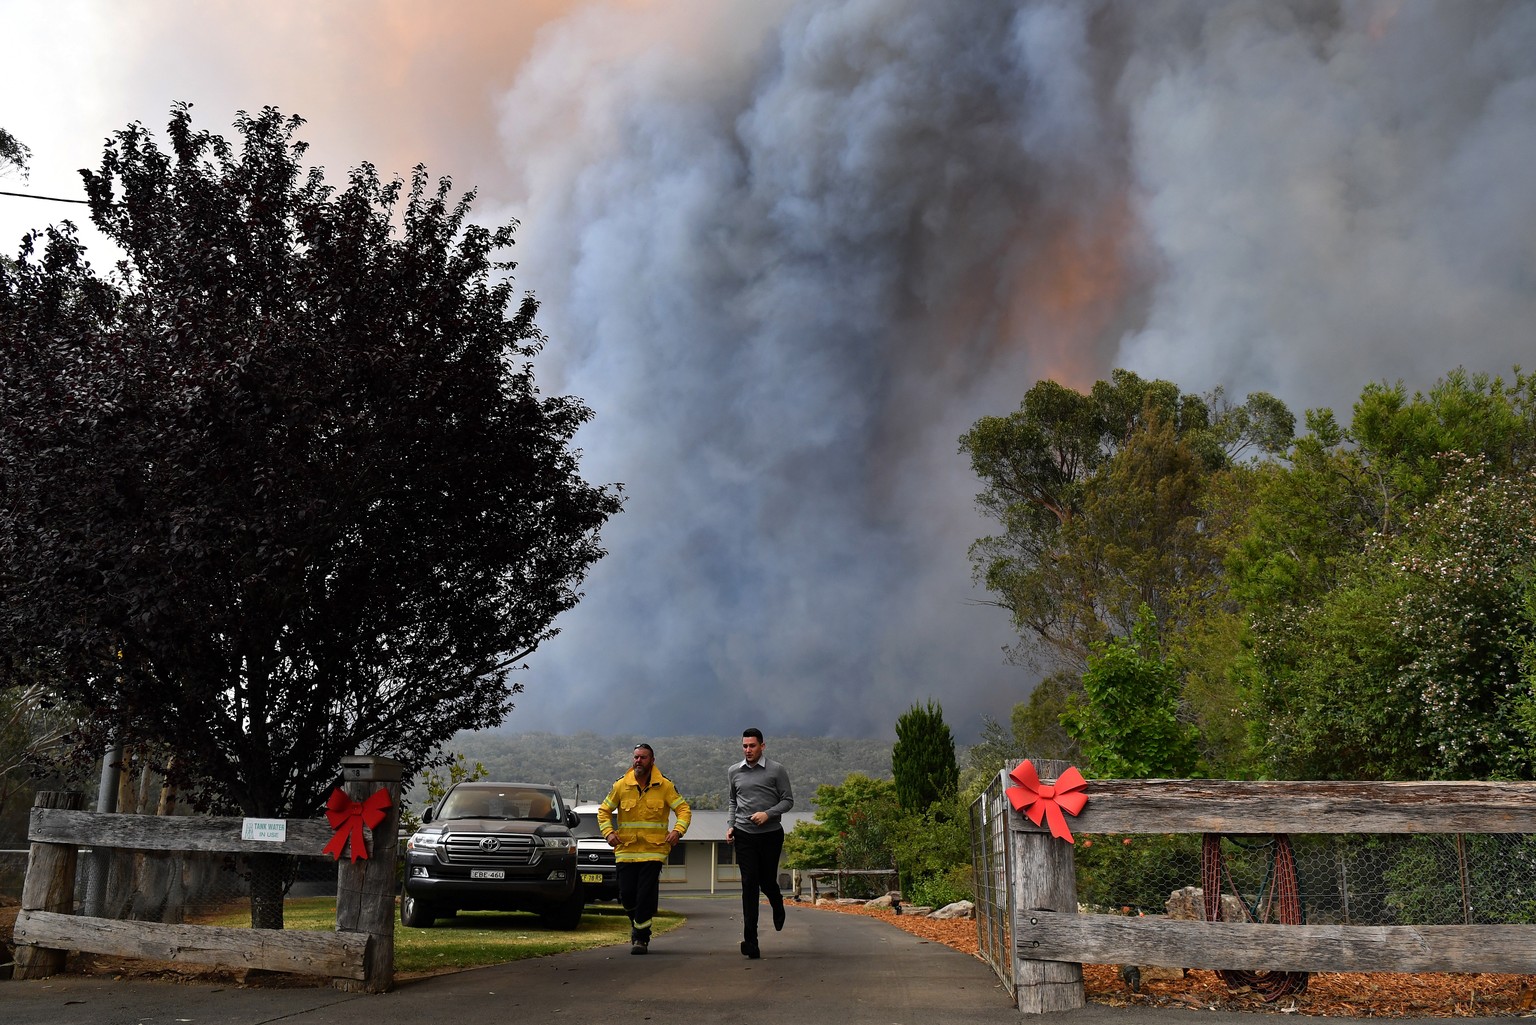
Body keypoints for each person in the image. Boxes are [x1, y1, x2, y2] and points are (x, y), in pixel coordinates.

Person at [597, 743, 691, 955]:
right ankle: (637, 924)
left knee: (644, 896)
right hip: (626, 851)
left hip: (653, 851)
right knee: (627, 895)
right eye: (636, 757)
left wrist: (677, 831)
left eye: (643, 758)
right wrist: (609, 833)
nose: (638, 761)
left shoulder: (665, 786)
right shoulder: (621, 785)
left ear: (652, 761)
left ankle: (641, 938)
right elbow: (603, 811)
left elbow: (684, 810)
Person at [726, 727, 794, 959]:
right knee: (749, 883)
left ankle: (777, 902)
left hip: (771, 834)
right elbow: (733, 801)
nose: (748, 750)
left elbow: (788, 800)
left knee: (766, 881)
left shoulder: (776, 770)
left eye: (752, 746)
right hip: (744, 835)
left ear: (762, 746)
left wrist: (768, 813)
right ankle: (751, 941)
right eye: (744, 746)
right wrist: (731, 824)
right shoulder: (734, 771)